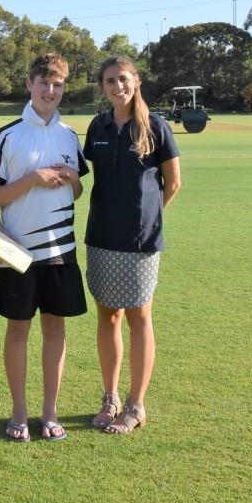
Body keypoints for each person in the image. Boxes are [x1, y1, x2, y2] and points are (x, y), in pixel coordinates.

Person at [0, 53, 88, 442]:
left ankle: (50, 413)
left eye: (57, 84)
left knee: (55, 328)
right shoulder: (9, 135)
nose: (50, 91)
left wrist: (73, 178)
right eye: (43, 82)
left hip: (61, 251)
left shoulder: (69, 135)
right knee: (18, 330)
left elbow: (77, 191)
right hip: (19, 254)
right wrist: (31, 179)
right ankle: (18, 413)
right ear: (29, 84)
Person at [84, 55, 181, 434]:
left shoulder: (156, 127)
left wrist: (148, 218)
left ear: (136, 81)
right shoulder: (98, 126)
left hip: (140, 241)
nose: (118, 86)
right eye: (110, 81)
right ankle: (110, 398)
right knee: (108, 317)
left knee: (139, 318)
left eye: (123, 79)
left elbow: (173, 183)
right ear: (103, 87)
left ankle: (136, 404)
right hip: (101, 236)